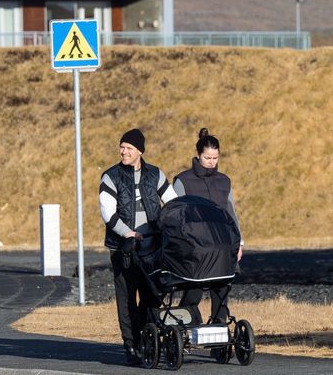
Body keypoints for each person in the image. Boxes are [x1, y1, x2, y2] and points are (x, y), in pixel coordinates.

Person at [99, 128, 177, 365]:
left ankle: (147, 338)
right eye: (122, 147)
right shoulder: (110, 177)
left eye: (129, 148)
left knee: (152, 295)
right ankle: (130, 344)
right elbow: (107, 212)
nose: (124, 151)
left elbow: (172, 203)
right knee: (126, 299)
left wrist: (173, 228)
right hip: (124, 248)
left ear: (140, 151)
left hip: (152, 248)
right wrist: (128, 233)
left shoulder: (155, 174)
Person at [173, 128, 244, 324]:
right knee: (193, 290)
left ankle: (219, 333)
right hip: (196, 247)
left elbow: (230, 213)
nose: (212, 162)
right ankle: (188, 325)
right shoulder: (183, 181)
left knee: (222, 290)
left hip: (222, 245)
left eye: (215, 158)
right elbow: (177, 216)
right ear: (198, 155)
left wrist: (240, 242)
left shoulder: (224, 181)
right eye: (208, 158)